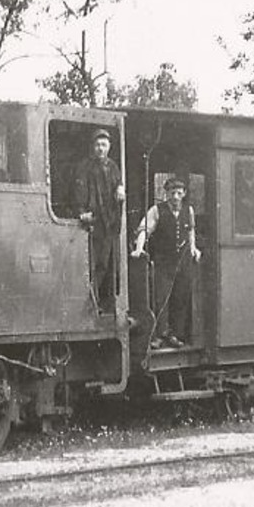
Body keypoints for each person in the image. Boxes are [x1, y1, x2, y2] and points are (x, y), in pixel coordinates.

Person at [131, 176, 201, 348]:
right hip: (163, 262)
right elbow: (144, 230)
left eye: (178, 193)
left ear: (183, 194)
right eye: (172, 193)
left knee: (180, 297)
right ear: (166, 194)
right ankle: (160, 336)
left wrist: (194, 248)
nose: (175, 197)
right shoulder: (156, 210)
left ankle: (175, 335)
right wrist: (139, 248)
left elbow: (191, 231)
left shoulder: (188, 210)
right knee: (161, 299)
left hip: (183, 261)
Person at [73, 128, 125, 314]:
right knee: (93, 265)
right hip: (93, 222)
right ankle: (92, 304)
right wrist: (81, 212)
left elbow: (118, 186)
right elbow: (79, 192)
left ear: (109, 147)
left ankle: (103, 304)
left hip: (109, 224)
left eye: (103, 145)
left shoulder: (113, 167)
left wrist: (120, 191)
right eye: (97, 145)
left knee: (107, 265)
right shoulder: (85, 167)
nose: (100, 148)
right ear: (92, 147)